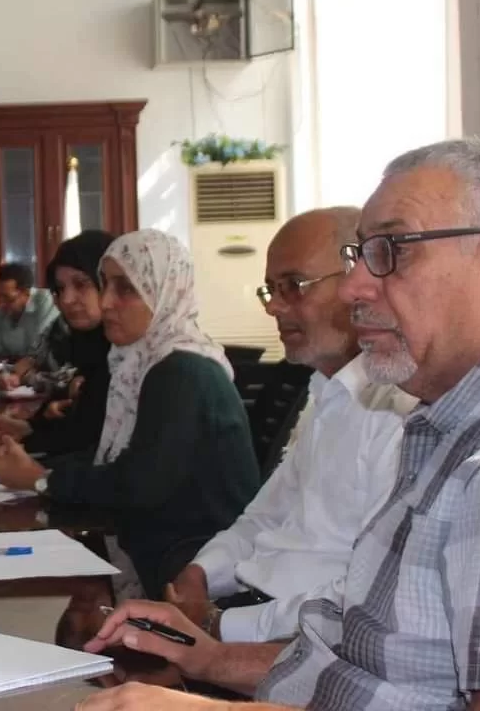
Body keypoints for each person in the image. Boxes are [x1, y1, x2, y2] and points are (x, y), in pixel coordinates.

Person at [81, 138, 480, 711]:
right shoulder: (454, 417)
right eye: (359, 257)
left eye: (391, 252)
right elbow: (378, 658)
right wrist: (209, 659)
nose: (353, 288)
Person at [164, 208, 416, 645]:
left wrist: (219, 627)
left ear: (360, 280)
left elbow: (365, 595)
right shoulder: (327, 394)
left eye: (294, 286)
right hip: (256, 612)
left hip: (303, 642)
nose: (274, 307)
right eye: (271, 290)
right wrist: (199, 575)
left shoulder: (402, 409)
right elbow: (263, 518)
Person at [0, 229, 259, 595]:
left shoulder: (181, 369)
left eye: (126, 288)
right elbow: (116, 457)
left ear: (163, 290)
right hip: (168, 550)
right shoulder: (141, 361)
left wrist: (42, 478)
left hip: (195, 572)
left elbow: (139, 484)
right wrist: (40, 469)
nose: (106, 303)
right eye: (105, 285)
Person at [0, 231, 116, 458]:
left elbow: (95, 442)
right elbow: (79, 432)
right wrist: (25, 430)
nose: (67, 299)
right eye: (60, 289)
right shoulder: (76, 341)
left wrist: (36, 468)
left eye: (81, 284)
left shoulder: (131, 355)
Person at [0, 263, 59, 363]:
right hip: (12, 370)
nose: (2, 304)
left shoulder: (46, 301)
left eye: (8, 299)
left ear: (26, 293)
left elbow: (42, 348)